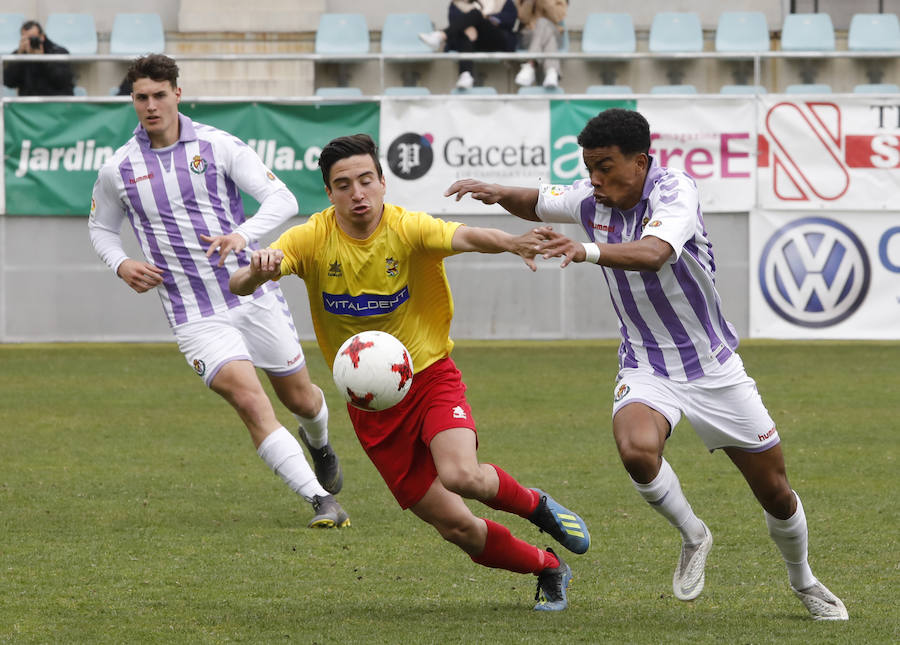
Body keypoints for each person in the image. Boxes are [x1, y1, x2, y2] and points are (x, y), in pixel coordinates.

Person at [444, 108, 849, 621]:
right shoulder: (594, 199)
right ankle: (693, 534)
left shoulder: (674, 191)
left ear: (640, 162)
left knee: (775, 490)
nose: (595, 179)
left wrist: (587, 250)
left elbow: (655, 252)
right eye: (589, 167)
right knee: (637, 450)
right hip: (647, 365)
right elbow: (538, 200)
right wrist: (498, 191)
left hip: (714, 368)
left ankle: (804, 579)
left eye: (606, 167)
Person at [229, 133, 590, 611]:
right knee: (456, 527)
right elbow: (238, 282)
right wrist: (259, 268)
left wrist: (511, 242)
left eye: (365, 181)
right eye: (343, 185)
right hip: (372, 406)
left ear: (382, 182)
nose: (357, 193)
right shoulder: (312, 238)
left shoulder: (406, 228)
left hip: (430, 377)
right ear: (330, 193)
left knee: (461, 474)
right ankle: (546, 567)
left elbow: (465, 235)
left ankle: (536, 505)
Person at [88, 54, 349, 529]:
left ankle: (321, 445)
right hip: (193, 314)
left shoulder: (217, 145)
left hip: (251, 294)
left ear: (177, 94)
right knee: (250, 401)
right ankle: (321, 501)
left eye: (160, 95)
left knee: (302, 400)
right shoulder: (118, 170)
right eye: (142, 97)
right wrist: (121, 262)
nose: (151, 106)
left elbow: (283, 199)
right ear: (132, 100)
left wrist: (243, 235)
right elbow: (100, 228)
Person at [419, 0, 518, 90]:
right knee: (465, 33)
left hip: (494, 38)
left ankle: (440, 36)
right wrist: (469, 27)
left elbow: (510, 20)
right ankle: (466, 75)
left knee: (476, 14)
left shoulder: (503, 2)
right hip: (470, 38)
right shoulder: (458, 3)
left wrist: (487, 18)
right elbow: (454, 21)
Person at [3, 20, 74, 96]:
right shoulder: (19, 55)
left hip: (55, 100)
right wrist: (19, 57)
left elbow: (63, 81)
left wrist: (43, 59)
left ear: (42, 37)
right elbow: (8, 82)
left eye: (33, 38)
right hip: (29, 103)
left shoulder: (58, 52)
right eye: (27, 39)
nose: (31, 42)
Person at [514, 0, 567, 88]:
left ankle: (530, 65)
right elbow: (523, 18)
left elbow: (557, 17)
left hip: (554, 32)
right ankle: (552, 71)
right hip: (529, 36)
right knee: (550, 40)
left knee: (543, 23)